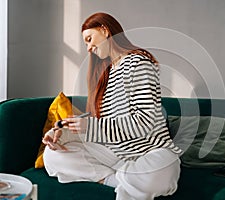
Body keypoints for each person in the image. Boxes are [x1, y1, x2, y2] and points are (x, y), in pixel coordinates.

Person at [42, 12, 182, 200]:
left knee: (163, 172)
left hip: (149, 151)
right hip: (115, 153)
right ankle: (121, 180)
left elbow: (145, 121)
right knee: (51, 157)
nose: (89, 48)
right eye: (85, 44)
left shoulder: (138, 62)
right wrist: (62, 134)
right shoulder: (105, 75)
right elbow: (101, 125)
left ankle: (118, 179)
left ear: (105, 30)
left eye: (89, 39)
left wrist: (91, 126)